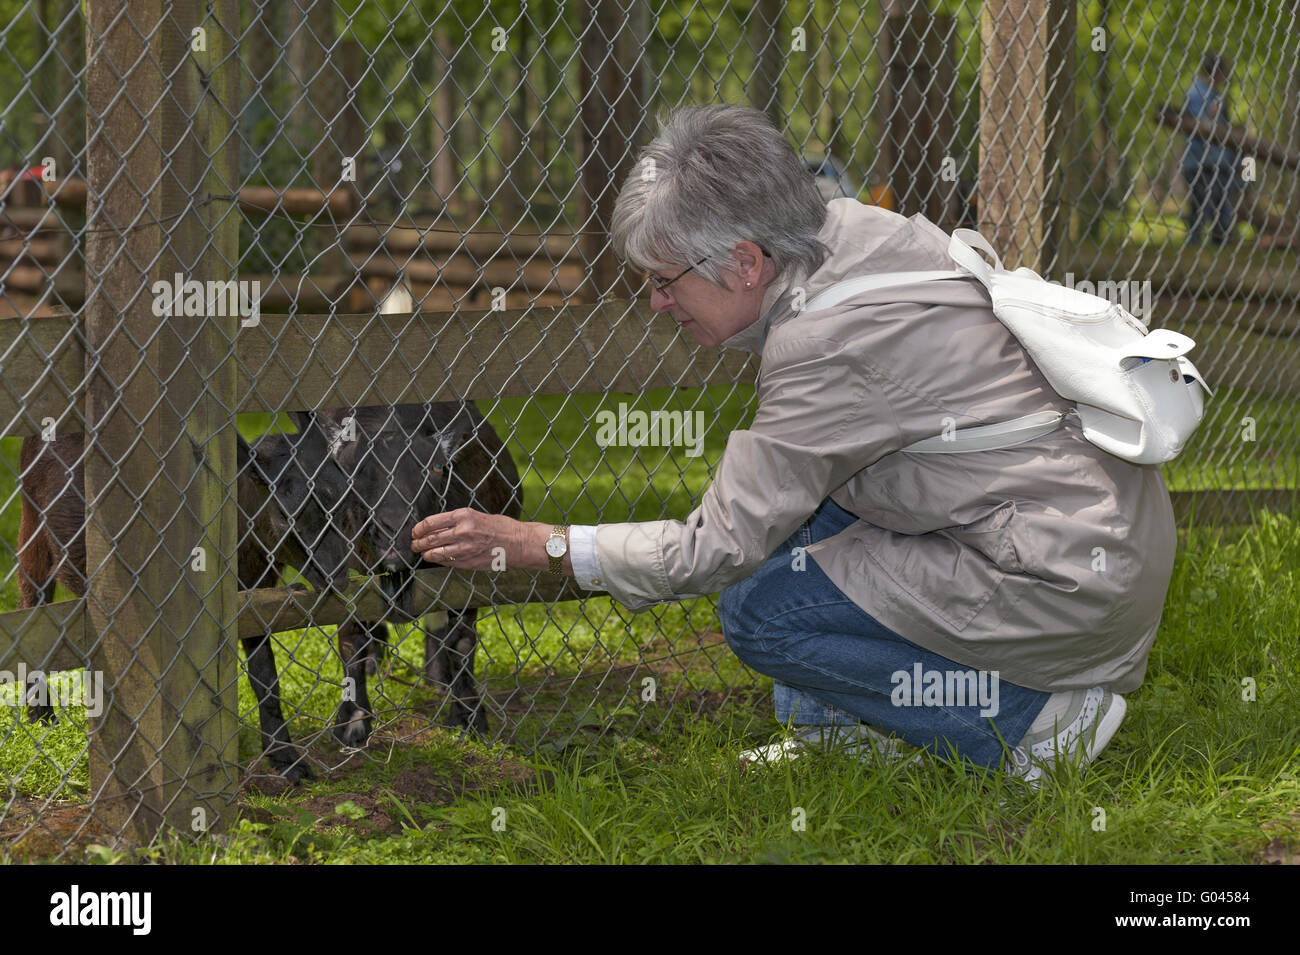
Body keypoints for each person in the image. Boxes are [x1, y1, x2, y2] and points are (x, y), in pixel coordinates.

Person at [411, 104, 1178, 785]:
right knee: (801, 521)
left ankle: (1030, 724)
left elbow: (711, 549)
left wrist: (543, 543)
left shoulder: (822, 345)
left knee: (758, 610)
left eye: (664, 276)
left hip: (1060, 577)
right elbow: (784, 489)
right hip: (1093, 537)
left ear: (746, 261)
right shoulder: (850, 232)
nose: (655, 298)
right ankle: (841, 729)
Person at [1182, 51, 1241, 246]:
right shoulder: (1195, 92)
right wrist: (1209, 115)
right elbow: (1199, 126)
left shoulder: (1215, 93)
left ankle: (1220, 246)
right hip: (1199, 162)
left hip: (1218, 161)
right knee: (1202, 207)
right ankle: (1193, 245)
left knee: (1221, 208)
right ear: (1218, 73)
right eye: (1223, 74)